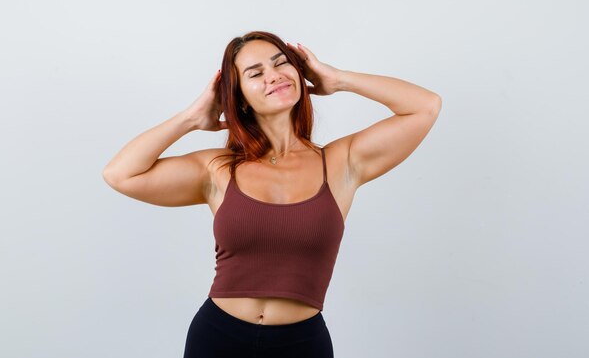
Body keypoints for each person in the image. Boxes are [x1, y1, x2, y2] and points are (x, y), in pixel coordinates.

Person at [102, 30, 442, 357]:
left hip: (302, 344)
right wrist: (192, 118)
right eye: (255, 72)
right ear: (240, 98)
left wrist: (337, 79)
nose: (274, 75)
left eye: (281, 63)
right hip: (218, 337)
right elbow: (120, 173)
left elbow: (425, 106)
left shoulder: (341, 162)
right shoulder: (218, 169)